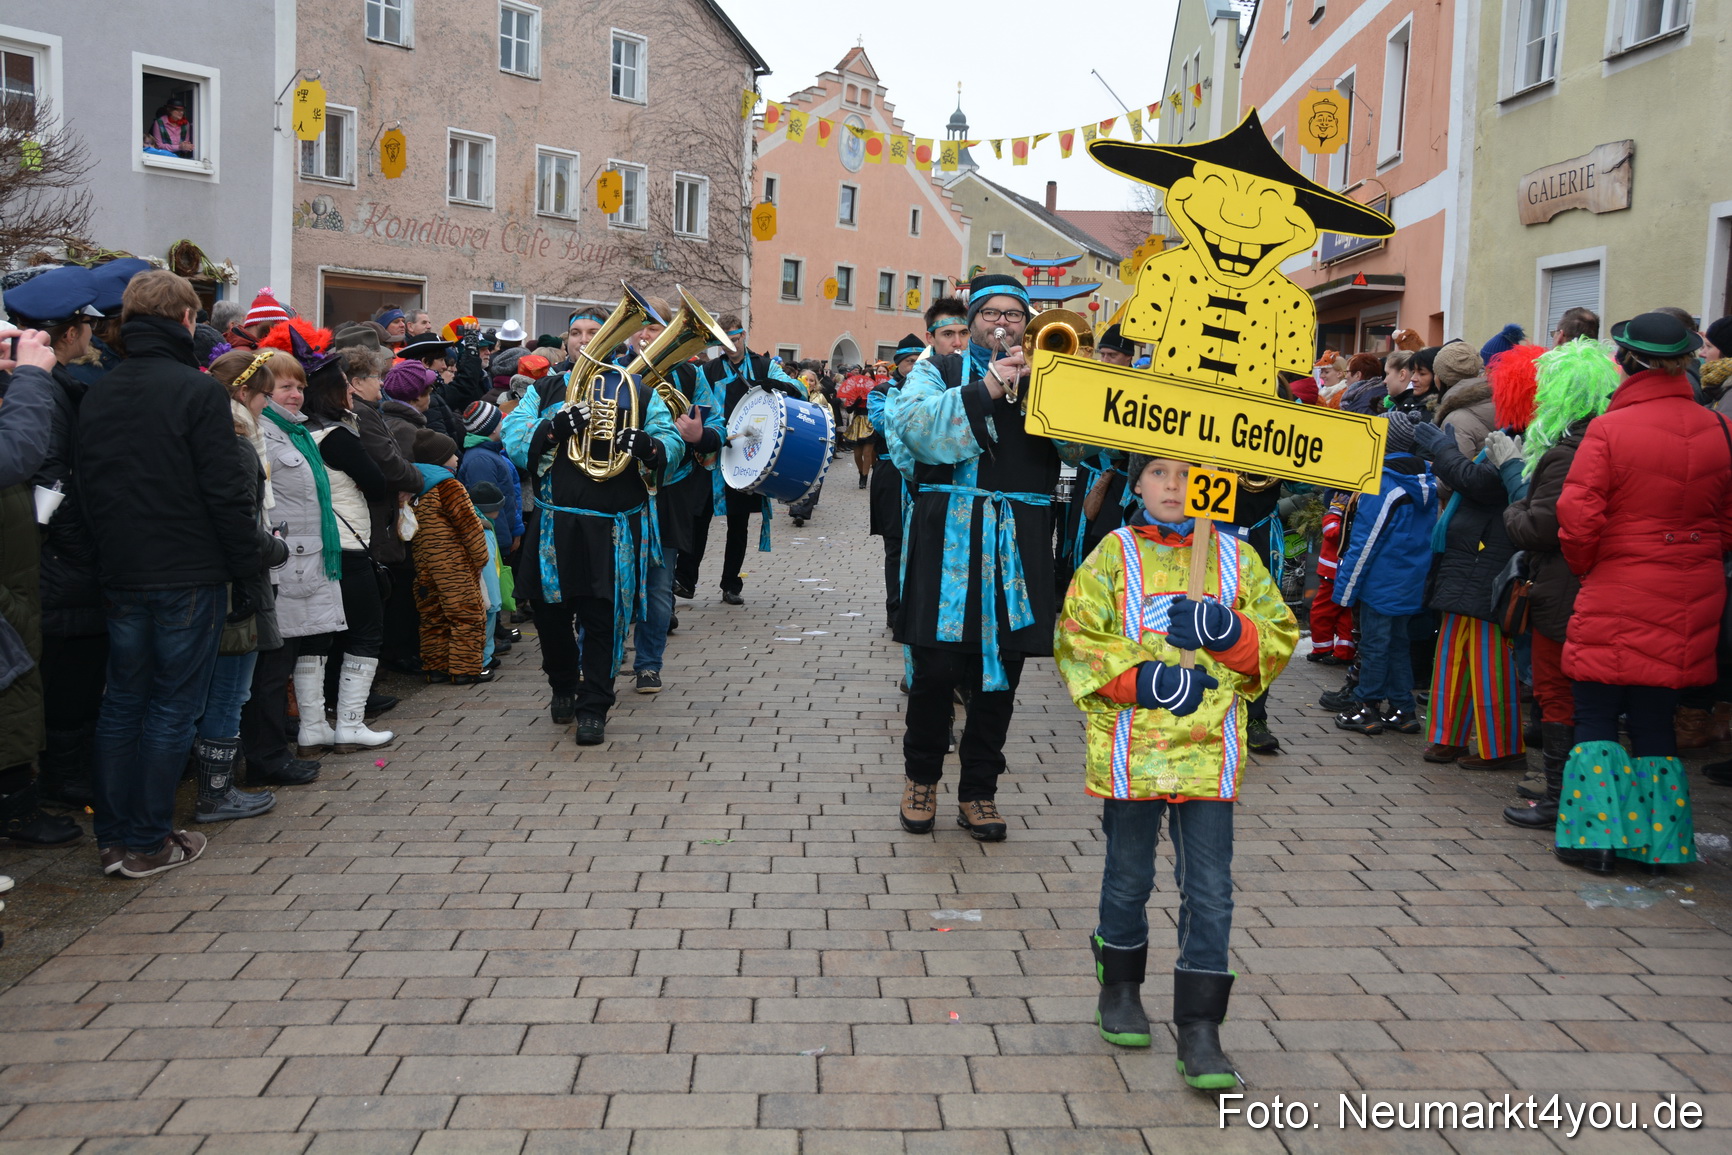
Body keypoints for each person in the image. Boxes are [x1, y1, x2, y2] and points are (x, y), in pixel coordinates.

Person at [1053, 455, 1297, 1083]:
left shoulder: (1237, 559)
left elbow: (1277, 637)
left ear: (1213, 485)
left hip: (1209, 753)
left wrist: (1230, 628)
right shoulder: (1113, 552)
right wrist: (1145, 680)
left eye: (1188, 475)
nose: (1174, 486)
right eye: (1160, 473)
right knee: (1128, 876)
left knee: (1210, 891)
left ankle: (1200, 1026)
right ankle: (1121, 989)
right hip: (1133, 754)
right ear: (1136, 483)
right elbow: (1076, 636)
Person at [884, 273, 1087, 840]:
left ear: (1028, 322)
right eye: (990, 313)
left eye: (1014, 315)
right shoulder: (937, 369)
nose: (1002, 323)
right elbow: (913, 433)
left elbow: (1082, 449)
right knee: (936, 669)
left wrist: (1071, 396)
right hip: (948, 533)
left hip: (1019, 540)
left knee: (1000, 676)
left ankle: (979, 791)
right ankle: (921, 778)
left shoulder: (1055, 370)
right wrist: (990, 386)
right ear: (971, 321)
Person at [80, 270, 263, 877]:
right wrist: (247, 567)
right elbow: (224, 492)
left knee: (124, 702)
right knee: (168, 706)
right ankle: (148, 839)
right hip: (185, 570)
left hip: (123, 570)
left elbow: (88, 488)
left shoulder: (100, 388)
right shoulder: (196, 392)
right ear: (188, 319)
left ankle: (115, 837)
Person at [1551, 313, 1732, 872]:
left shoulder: (1609, 428)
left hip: (1619, 578)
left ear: (1628, 361)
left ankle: (1596, 840)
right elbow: (1726, 518)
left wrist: (1588, 568)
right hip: (1691, 585)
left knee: (1598, 709)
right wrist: (1699, 555)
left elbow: (1578, 516)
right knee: (1657, 714)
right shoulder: (1717, 428)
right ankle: (1659, 843)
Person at [507, 322, 684, 743]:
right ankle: (563, 682)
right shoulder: (547, 389)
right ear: (565, 341)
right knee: (550, 618)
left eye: (595, 331)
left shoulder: (639, 390)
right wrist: (553, 429)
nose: (586, 339)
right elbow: (513, 439)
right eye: (576, 332)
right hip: (555, 525)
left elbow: (671, 442)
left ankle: (594, 706)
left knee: (604, 619)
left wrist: (649, 446)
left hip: (613, 530)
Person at [1497, 340, 1620, 828]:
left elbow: (1540, 527)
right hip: (1594, 586)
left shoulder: (1570, 451)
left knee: (1557, 692)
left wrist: (1515, 496)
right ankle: (1583, 796)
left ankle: (1561, 797)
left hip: (1565, 587)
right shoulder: (1607, 439)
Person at [4, 267, 108, 811]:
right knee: (66, 681)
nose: (93, 333)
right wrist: (82, 552)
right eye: (86, 326)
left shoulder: (57, 385)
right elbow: (50, 478)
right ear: (69, 333)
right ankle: (58, 787)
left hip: (53, 562)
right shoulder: (38, 390)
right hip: (57, 566)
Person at [193, 350, 293, 823]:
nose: (264, 408)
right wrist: (273, 550)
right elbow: (238, 523)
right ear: (242, 394)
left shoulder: (202, 434)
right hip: (238, 588)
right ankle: (216, 792)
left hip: (213, 579)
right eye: (262, 398)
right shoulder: (233, 443)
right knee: (229, 692)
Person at [241, 347, 348, 784]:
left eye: (300, 386)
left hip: (302, 564)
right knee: (270, 667)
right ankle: (265, 758)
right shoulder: (260, 432)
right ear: (261, 392)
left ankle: (275, 747)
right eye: (285, 386)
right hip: (280, 566)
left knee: (282, 662)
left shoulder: (295, 433)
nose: (296, 395)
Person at [1411, 372, 1526, 770]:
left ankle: (1501, 746)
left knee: (1487, 655)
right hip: (1469, 552)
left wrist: (1441, 449)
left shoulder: (1528, 439)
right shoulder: (1511, 428)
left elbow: (1484, 483)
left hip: (1489, 553)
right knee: (1454, 652)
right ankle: (1448, 736)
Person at [0, 326, 84, 849]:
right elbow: (18, 454)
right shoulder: (30, 392)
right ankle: (16, 812)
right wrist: (31, 377)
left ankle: (18, 806)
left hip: (18, 580)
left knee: (16, 693)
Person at [297, 344, 397, 753]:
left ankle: (313, 726)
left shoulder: (300, 432)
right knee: (365, 631)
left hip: (314, 547)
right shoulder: (337, 436)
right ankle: (351, 723)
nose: (352, 393)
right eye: (345, 387)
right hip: (348, 547)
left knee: (316, 637)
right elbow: (376, 483)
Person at [1330, 412, 1438, 736]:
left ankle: (1367, 706)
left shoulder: (1384, 484)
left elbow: (1366, 542)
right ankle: (1403, 709)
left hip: (1380, 581)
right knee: (1397, 644)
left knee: (1375, 644)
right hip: (1410, 580)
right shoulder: (1426, 482)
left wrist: (1346, 589)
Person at [701, 315, 807, 606]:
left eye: (734, 340)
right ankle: (685, 579)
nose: (731, 347)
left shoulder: (764, 365)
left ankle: (731, 584)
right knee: (697, 519)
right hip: (711, 452)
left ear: (744, 335)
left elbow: (802, 391)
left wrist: (780, 385)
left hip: (748, 453)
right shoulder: (708, 370)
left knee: (738, 523)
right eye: (724, 342)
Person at [1056, 325, 1137, 597]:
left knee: (1114, 542)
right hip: (1089, 475)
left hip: (1123, 485)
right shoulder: (1090, 383)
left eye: (1112, 355)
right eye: (1102, 354)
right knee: (1080, 539)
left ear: (1129, 357)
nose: (1105, 361)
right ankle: (1078, 596)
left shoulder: (1142, 392)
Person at [409, 430, 494, 684]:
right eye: (451, 454)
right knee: (467, 614)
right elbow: (469, 526)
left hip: (424, 563)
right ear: (439, 459)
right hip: (452, 564)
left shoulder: (415, 486)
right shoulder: (448, 486)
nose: (457, 458)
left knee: (433, 615)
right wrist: (480, 558)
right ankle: (465, 669)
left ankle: (436, 668)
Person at [868, 336, 926, 625]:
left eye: (919, 362)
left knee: (924, 544)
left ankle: (918, 609)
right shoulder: (882, 391)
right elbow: (883, 424)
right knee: (895, 545)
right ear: (898, 365)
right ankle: (895, 610)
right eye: (909, 362)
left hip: (925, 475)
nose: (914, 367)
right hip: (891, 475)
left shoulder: (934, 389)